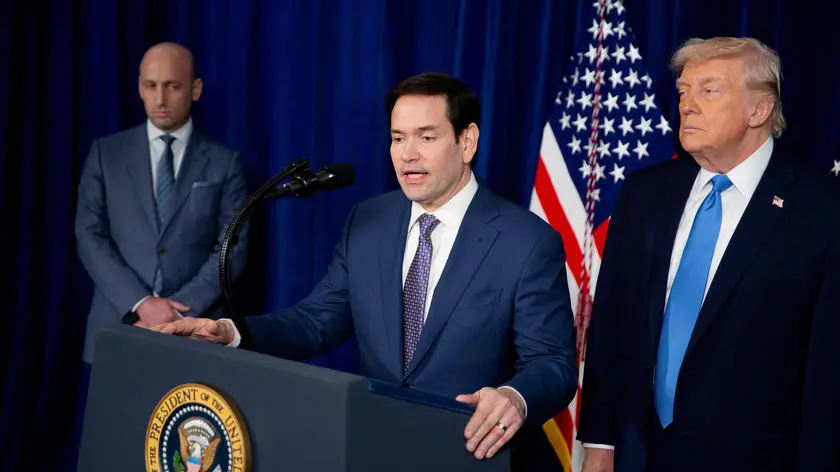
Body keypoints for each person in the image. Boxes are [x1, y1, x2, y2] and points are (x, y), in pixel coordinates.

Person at [152, 72, 578, 471]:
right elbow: (316, 322)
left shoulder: (526, 241)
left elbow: (552, 363)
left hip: (474, 455)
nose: (408, 154)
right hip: (377, 449)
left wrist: (514, 397)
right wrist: (230, 332)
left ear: (467, 142)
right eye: (398, 138)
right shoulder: (368, 221)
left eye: (427, 137)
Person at [577, 37, 840, 472]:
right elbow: (611, 325)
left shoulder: (822, 210)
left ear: (759, 110)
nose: (688, 105)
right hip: (639, 456)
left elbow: (827, 370)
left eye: (709, 90)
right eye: (683, 91)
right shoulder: (645, 193)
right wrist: (600, 442)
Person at [72, 41, 249, 464]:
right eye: (150, 86)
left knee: (182, 455)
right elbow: (89, 235)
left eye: (172, 85)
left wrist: (177, 313)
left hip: (196, 333)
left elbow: (232, 247)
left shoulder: (225, 163)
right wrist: (142, 303)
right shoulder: (106, 154)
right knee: (111, 452)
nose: (160, 98)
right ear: (139, 87)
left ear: (195, 89)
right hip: (119, 328)